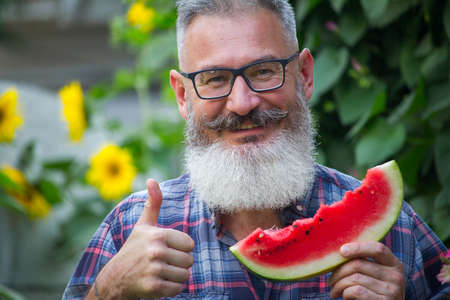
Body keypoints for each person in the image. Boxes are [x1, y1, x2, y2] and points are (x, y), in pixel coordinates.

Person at [62, 0, 450, 299]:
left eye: (264, 71)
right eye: (214, 79)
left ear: (304, 76)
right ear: (183, 95)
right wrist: (106, 292)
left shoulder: (394, 230)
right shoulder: (127, 231)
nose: (242, 103)